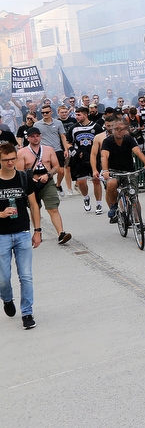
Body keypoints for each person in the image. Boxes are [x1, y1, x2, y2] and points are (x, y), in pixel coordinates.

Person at [0, 141, 42, 330]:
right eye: (6, 160)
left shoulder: (24, 178)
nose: (10, 163)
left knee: (26, 276)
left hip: (22, 233)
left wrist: (38, 230)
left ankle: (27, 312)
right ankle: (7, 299)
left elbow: (33, 205)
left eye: (13, 159)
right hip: (1, 235)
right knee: (3, 278)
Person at [17, 128, 71, 245]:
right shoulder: (22, 153)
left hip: (47, 182)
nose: (35, 138)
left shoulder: (48, 149)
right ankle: (37, 231)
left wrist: (48, 174)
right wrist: (29, 179)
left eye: (37, 136)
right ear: (28, 138)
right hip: (31, 184)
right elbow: (20, 171)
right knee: (34, 208)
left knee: (53, 207)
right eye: (33, 136)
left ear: (40, 136)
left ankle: (61, 233)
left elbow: (56, 166)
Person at [100, 119, 145, 224]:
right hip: (113, 171)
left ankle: (138, 222)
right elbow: (104, 156)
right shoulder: (107, 141)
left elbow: (137, 151)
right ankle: (114, 205)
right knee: (111, 183)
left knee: (134, 197)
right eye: (117, 129)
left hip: (128, 171)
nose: (119, 131)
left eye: (122, 129)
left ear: (126, 130)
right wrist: (105, 170)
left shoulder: (129, 139)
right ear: (112, 130)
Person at [69, 107, 103, 213]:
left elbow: (102, 140)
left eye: (79, 115)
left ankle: (99, 204)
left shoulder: (96, 127)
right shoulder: (73, 128)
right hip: (80, 159)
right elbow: (68, 142)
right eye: (76, 114)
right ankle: (86, 197)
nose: (76, 117)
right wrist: (74, 151)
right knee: (81, 182)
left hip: (94, 157)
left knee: (96, 180)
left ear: (85, 115)